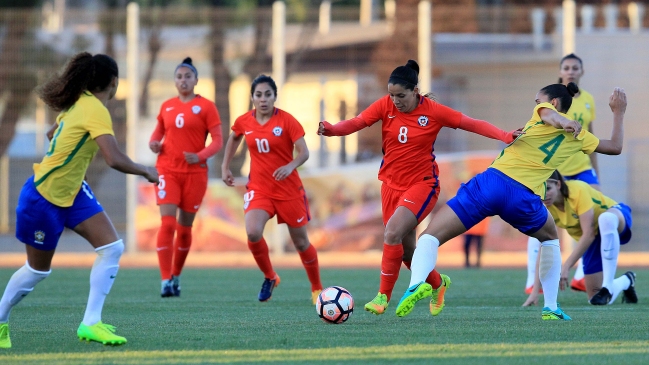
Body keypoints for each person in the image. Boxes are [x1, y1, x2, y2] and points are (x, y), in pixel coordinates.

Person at [395, 83, 626, 321]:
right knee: (549, 238)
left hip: (492, 183)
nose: (537, 106)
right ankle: (551, 307)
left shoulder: (545, 112)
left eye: (538, 101)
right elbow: (615, 147)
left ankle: (416, 283)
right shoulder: (580, 137)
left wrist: (562, 121)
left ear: (553, 102)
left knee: (430, 237)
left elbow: (551, 116)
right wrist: (618, 112)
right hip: (523, 198)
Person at [318, 59, 519, 316]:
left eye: (400, 95)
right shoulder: (385, 105)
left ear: (415, 91)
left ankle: (382, 297)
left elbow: (472, 123)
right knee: (406, 251)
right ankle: (438, 283)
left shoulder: (433, 111)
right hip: (390, 185)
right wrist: (332, 130)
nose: (395, 101)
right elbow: (357, 122)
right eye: (391, 95)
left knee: (391, 234)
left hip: (421, 185)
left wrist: (504, 136)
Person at [0, 52, 159, 348]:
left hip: (72, 192)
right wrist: (145, 170)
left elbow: (52, 133)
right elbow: (113, 158)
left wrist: (71, 167)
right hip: (43, 197)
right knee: (37, 271)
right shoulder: (95, 109)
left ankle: (91, 323)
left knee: (112, 247)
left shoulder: (80, 102)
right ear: (114, 82)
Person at [221, 74, 323, 304]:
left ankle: (317, 288)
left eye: (268, 94)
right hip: (260, 188)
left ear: (275, 97)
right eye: (259, 95)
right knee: (253, 233)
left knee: (300, 243)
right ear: (252, 98)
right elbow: (234, 137)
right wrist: (225, 166)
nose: (263, 99)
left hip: (288, 190)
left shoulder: (287, 121)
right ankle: (270, 276)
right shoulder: (244, 121)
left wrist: (290, 166)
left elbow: (304, 152)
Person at [149, 57, 222, 298]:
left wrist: (200, 156)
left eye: (187, 77)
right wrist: (154, 143)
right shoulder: (167, 106)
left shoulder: (207, 107)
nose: (183, 81)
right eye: (179, 77)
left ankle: (176, 276)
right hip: (168, 170)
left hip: (194, 174)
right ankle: (164, 280)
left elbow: (218, 141)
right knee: (167, 224)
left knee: (184, 228)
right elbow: (159, 131)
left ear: (196, 80)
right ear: (175, 81)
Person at [526, 53, 598, 294]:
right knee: (538, 221)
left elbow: (592, 135)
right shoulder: (552, 101)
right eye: (566, 67)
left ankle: (580, 275)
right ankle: (531, 281)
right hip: (556, 172)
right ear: (560, 71)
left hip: (582, 168)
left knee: (594, 217)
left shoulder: (588, 100)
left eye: (575, 67)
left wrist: (595, 171)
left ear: (581, 71)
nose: (571, 71)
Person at [522, 171, 637, 306]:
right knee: (596, 299)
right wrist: (535, 292)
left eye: (548, 188)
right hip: (594, 240)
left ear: (558, 184)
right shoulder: (545, 209)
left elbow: (588, 233)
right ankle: (626, 281)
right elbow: (544, 248)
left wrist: (566, 267)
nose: (545, 194)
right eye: (540, 190)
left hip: (616, 218)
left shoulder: (577, 190)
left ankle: (607, 285)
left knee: (606, 219)